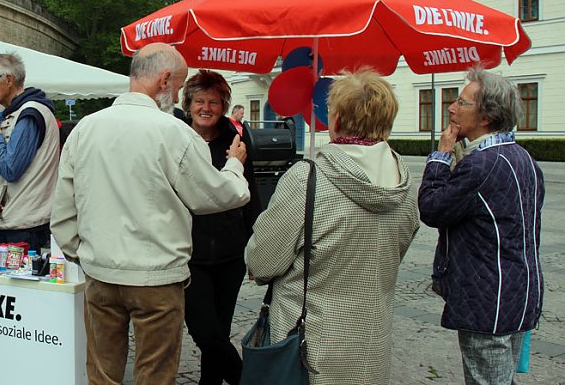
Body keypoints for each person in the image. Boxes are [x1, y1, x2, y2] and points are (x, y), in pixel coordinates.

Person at [51, 43, 251, 384]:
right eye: (177, 86)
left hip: (101, 272)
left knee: (102, 373)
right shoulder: (174, 132)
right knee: (154, 376)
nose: (176, 97)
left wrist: (83, 254)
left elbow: (63, 211)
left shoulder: (85, 128)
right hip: (155, 279)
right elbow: (217, 195)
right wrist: (234, 165)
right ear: (163, 81)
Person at [245, 69, 419, 384]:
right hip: (370, 349)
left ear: (335, 120)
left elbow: (262, 261)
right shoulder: (404, 186)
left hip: (307, 350)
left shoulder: (306, 179)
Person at [417, 67, 544, 385]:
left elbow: (432, 209)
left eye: (461, 103)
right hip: (518, 293)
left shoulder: (481, 165)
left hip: (488, 300)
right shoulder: (523, 157)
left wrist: (442, 155)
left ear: (486, 115)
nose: (451, 108)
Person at [180, 70, 261, 385]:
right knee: (206, 332)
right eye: (200, 100)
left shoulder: (237, 142)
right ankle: (247, 379)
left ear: (223, 105)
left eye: (213, 102)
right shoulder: (176, 138)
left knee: (220, 330)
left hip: (230, 252)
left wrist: (255, 248)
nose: (206, 107)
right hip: (189, 253)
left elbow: (250, 199)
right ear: (188, 104)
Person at [0, 53, 59, 253]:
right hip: (17, 220)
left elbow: (10, 169)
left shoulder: (30, 113)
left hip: (25, 225)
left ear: (9, 79)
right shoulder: (19, 112)